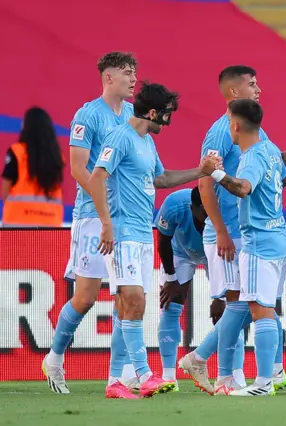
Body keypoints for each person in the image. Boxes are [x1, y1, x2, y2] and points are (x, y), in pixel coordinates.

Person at [179, 65, 286, 395]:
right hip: (229, 232)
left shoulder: (256, 138)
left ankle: (226, 370)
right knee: (244, 304)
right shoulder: (219, 133)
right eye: (252, 84)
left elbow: (270, 173)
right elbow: (204, 185)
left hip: (252, 233)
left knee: (248, 305)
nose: (259, 89)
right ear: (233, 93)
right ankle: (231, 374)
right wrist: (221, 230)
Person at [88, 81, 217, 399]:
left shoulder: (145, 142)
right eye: (168, 115)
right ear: (154, 112)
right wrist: (106, 224)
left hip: (142, 235)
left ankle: (115, 381)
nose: (170, 121)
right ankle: (145, 375)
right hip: (122, 233)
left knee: (126, 309)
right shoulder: (120, 137)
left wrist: (200, 172)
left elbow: (160, 178)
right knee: (134, 303)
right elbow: (96, 177)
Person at [43, 52, 138, 395]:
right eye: (127, 73)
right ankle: (54, 358)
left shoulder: (132, 115)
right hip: (91, 217)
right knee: (85, 297)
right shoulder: (88, 115)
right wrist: (103, 209)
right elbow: (78, 169)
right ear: (109, 77)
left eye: (135, 72)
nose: (134, 79)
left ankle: (121, 374)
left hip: (125, 217)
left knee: (126, 293)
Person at [209, 98, 286, 396]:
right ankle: (268, 378)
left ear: (236, 124)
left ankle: (263, 383)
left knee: (260, 311)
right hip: (278, 236)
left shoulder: (252, 156)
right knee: (264, 307)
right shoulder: (270, 149)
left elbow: (244, 188)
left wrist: (215, 173)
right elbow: (283, 177)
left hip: (259, 241)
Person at [154, 186, 247, 390]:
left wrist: (219, 298)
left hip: (215, 250)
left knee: (232, 310)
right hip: (181, 252)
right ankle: (168, 377)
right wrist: (170, 277)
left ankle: (237, 375)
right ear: (193, 207)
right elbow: (163, 239)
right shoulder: (174, 205)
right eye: (204, 213)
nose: (208, 218)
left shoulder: (222, 208)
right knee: (169, 306)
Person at [2, 107, 64, 227]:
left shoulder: (17, 152)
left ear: (28, 126)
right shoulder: (57, 155)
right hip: (50, 223)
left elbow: (5, 189)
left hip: (17, 223)